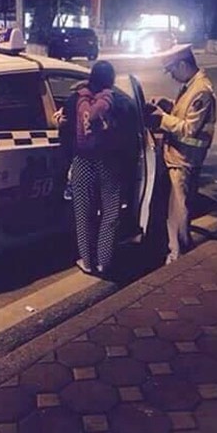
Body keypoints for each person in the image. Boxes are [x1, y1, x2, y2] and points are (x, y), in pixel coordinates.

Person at [56, 60, 137, 276]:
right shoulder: (119, 103)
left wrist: (68, 162)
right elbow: (130, 137)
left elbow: (65, 134)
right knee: (110, 212)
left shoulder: (74, 100)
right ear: (111, 79)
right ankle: (104, 261)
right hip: (110, 163)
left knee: (83, 214)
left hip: (82, 161)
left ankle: (87, 261)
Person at [147, 44, 216, 265]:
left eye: (172, 70)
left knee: (179, 210)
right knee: (175, 208)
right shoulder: (191, 86)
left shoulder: (201, 91)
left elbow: (189, 128)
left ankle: (179, 257)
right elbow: (183, 112)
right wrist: (168, 104)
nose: (172, 76)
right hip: (178, 156)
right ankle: (178, 249)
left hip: (185, 158)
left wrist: (162, 119)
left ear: (183, 64)